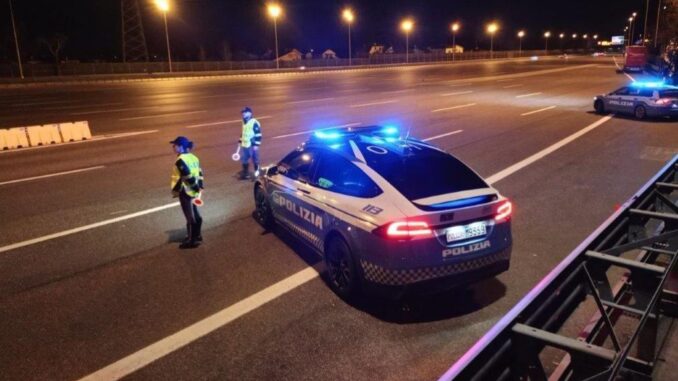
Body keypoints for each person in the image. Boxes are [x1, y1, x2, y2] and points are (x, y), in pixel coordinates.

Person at [170, 136, 204, 249]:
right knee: (195, 213)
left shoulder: (180, 160)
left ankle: (191, 241)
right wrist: (199, 186)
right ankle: (198, 235)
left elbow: (187, 175)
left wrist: (194, 187)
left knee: (190, 217)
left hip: (186, 190)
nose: (173, 147)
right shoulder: (194, 158)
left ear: (180, 147)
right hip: (194, 190)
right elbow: (200, 173)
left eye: (174, 145)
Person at [238, 106, 262, 180]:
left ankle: (256, 174)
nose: (243, 114)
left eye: (245, 112)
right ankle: (246, 174)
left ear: (250, 113)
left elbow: (258, 134)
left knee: (255, 160)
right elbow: (244, 131)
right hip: (245, 144)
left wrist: (256, 145)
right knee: (244, 159)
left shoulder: (254, 122)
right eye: (243, 113)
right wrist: (240, 140)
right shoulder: (244, 121)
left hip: (252, 145)